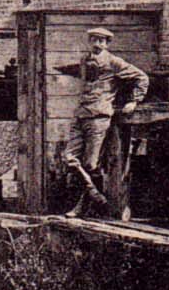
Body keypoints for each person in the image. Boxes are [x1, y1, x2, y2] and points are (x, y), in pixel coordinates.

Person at [62, 27, 148, 215]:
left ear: (107, 44)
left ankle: (83, 208)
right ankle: (94, 193)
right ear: (89, 41)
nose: (97, 44)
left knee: (90, 165)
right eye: (93, 40)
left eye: (101, 41)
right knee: (69, 158)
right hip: (81, 115)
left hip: (99, 117)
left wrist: (133, 101)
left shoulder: (114, 62)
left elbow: (142, 78)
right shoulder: (85, 60)